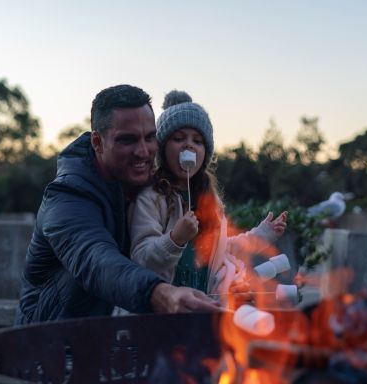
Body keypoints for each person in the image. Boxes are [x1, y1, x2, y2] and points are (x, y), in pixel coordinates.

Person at [15, 85, 221, 324]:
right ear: (98, 142)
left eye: (150, 137)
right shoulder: (66, 198)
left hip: (111, 338)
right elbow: (97, 262)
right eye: (127, 140)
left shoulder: (149, 187)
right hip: (51, 342)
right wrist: (159, 293)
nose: (143, 151)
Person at [128, 90, 287, 303]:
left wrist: (261, 236)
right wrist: (175, 239)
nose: (189, 145)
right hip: (164, 309)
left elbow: (221, 251)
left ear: (205, 154)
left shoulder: (210, 201)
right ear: (163, 149)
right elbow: (141, 259)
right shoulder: (152, 198)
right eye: (178, 138)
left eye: (198, 141)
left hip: (204, 305)